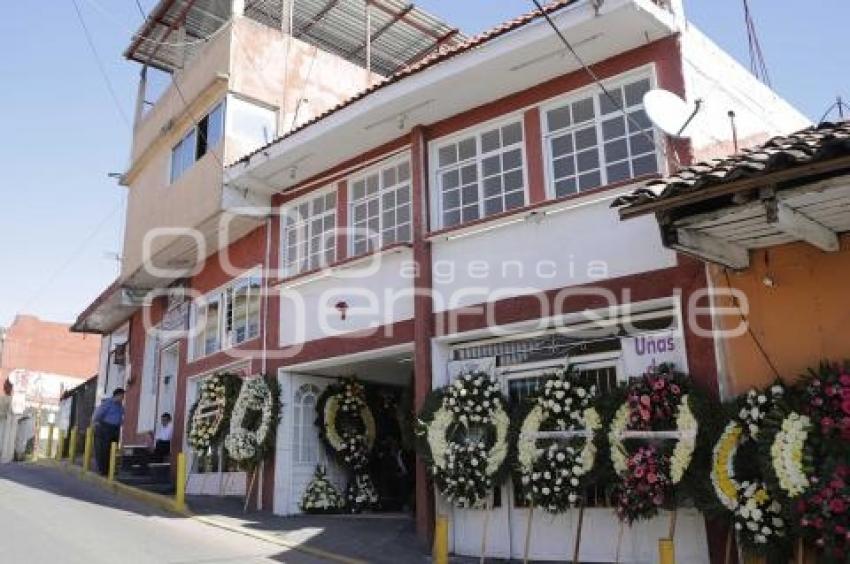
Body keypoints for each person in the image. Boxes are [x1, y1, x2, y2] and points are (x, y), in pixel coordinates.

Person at [93, 388, 125, 476]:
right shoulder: (107, 403)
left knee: (113, 449)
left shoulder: (120, 406)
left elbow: (121, 415)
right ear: (117, 395)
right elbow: (98, 415)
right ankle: (103, 470)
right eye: (122, 396)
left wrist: (121, 422)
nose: (123, 398)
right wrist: (96, 424)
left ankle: (110, 469)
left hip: (115, 429)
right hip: (106, 428)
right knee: (104, 450)